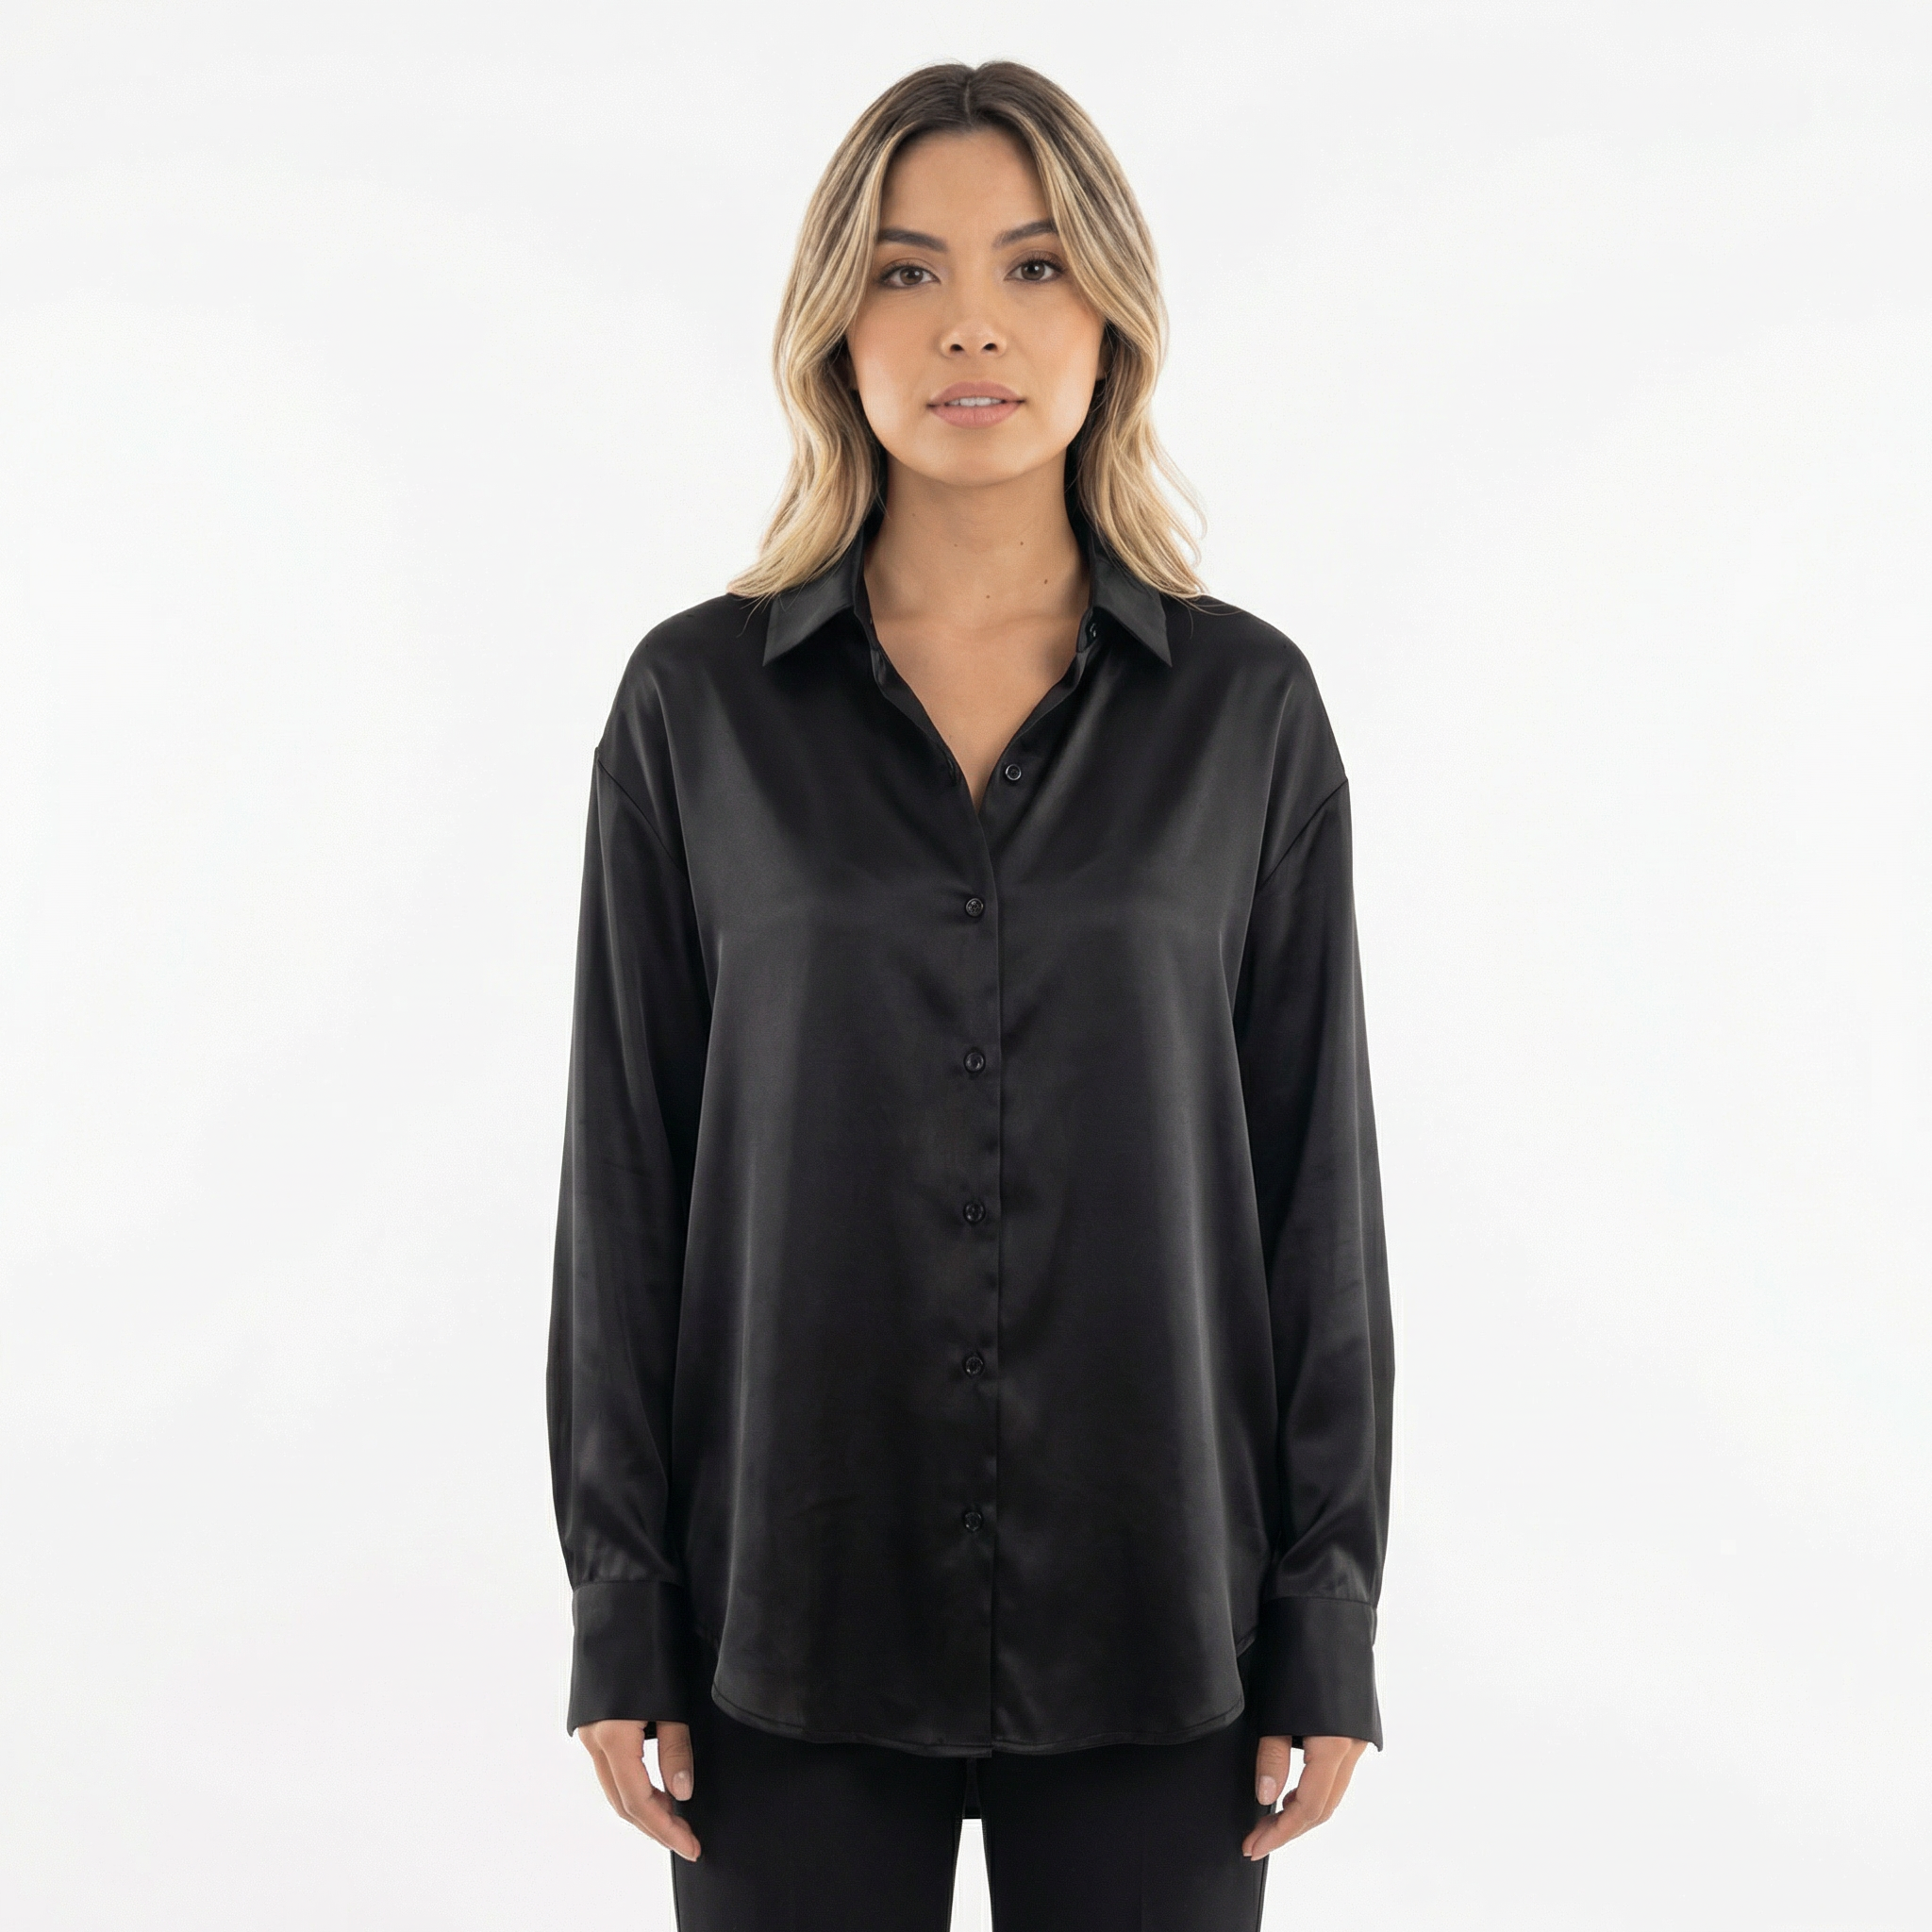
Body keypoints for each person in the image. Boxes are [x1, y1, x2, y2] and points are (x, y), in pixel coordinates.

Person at [547, 58, 1393, 1930]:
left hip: (1164, 1620)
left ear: (1112, 318)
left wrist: (1323, 1617)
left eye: (1032, 265)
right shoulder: (695, 709)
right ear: (833, 324)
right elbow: (624, 1181)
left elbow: (1313, 1193)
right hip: (783, 1619)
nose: (972, 326)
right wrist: (623, 1606)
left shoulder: (1246, 713)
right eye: (907, 271)